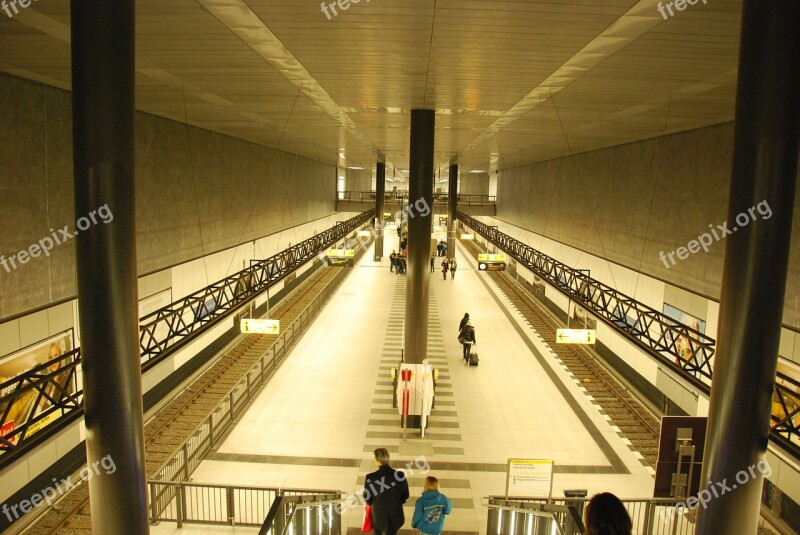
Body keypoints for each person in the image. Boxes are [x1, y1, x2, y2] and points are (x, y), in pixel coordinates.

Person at [363, 448, 409, 535]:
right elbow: (405, 496)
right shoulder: (400, 475)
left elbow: (367, 498)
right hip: (395, 516)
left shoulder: (370, 478)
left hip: (378, 517)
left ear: (378, 461)